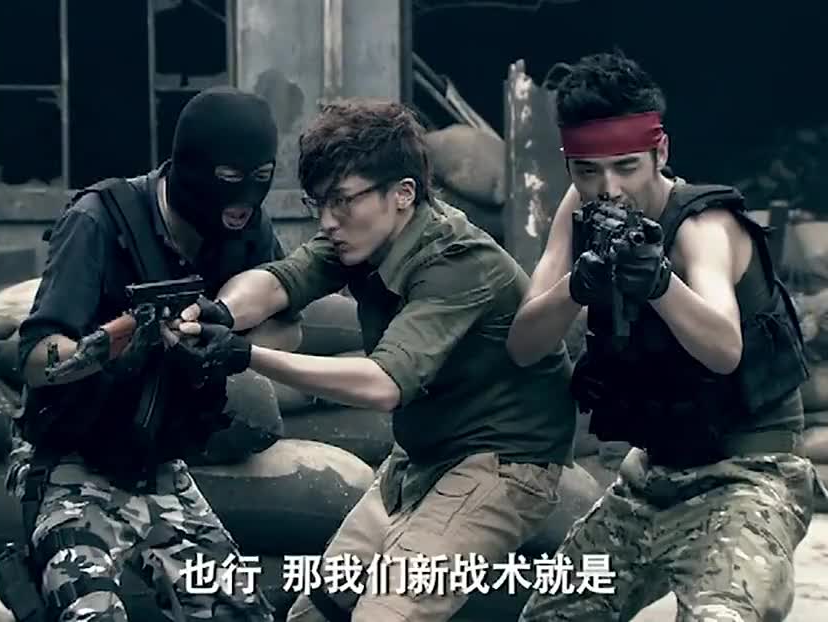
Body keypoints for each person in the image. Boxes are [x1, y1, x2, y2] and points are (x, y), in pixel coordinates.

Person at [168, 99, 578, 621]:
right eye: (319, 203)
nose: (328, 221)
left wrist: (248, 354)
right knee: (316, 612)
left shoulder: (458, 262)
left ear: (403, 193)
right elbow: (280, 281)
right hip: (421, 455)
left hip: (502, 462)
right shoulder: (360, 239)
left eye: (342, 201)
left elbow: (383, 383)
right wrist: (221, 313)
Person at [508, 51, 826, 622]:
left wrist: (659, 283)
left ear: (661, 152)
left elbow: (725, 349)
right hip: (652, 476)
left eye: (626, 167)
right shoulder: (579, 208)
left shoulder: (703, 226)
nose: (608, 188)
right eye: (587, 171)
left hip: (748, 476)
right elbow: (524, 344)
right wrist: (575, 288)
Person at [3, 87, 301, 622]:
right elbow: (35, 357)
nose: (243, 197)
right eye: (228, 178)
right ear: (189, 167)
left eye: (261, 177)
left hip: (160, 465)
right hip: (73, 463)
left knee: (241, 612)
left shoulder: (248, 229)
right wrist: (114, 341)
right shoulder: (99, 220)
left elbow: (288, 329)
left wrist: (228, 343)